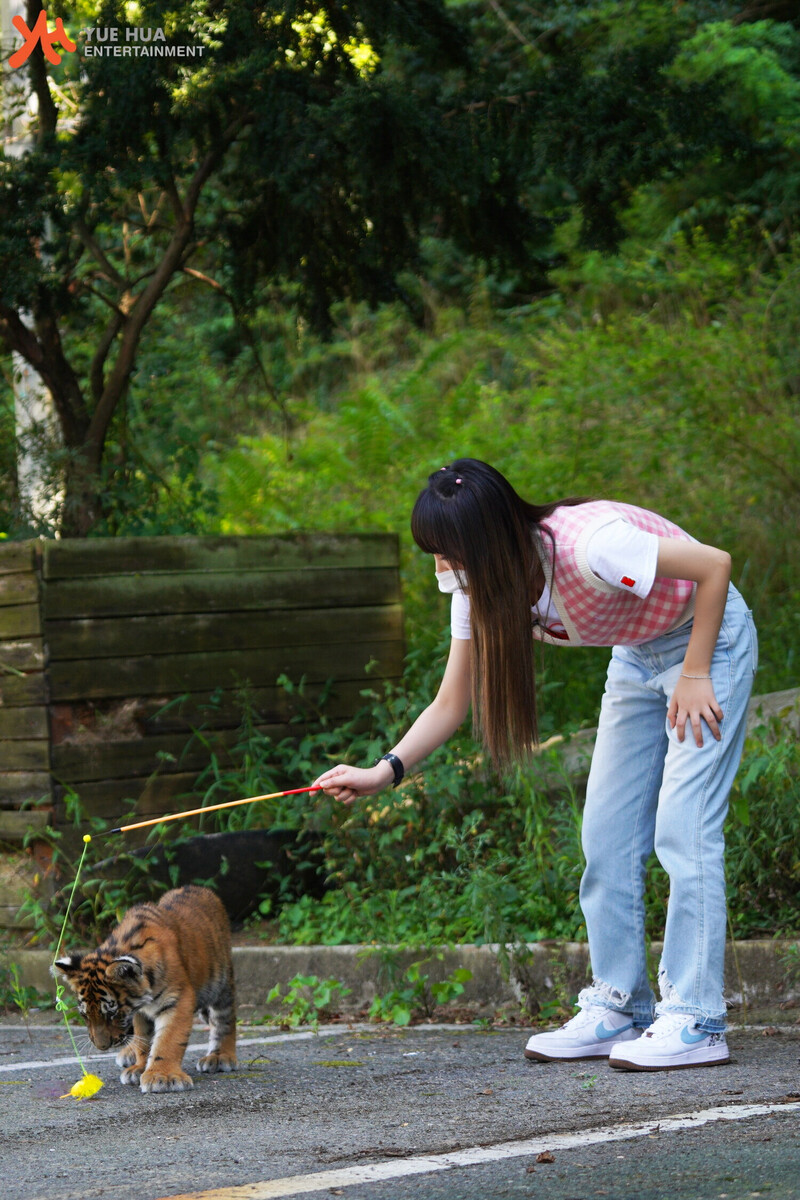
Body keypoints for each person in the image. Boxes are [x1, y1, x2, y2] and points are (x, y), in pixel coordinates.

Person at [313, 459, 757, 1071]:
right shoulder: (480, 587)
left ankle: (697, 1020)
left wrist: (697, 672)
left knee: (683, 829)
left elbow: (714, 565)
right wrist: (382, 771)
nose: (440, 567)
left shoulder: (593, 546)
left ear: (485, 540)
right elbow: (451, 701)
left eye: (446, 552)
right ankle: (620, 1006)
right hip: (637, 657)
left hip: (707, 643)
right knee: (605, 832)